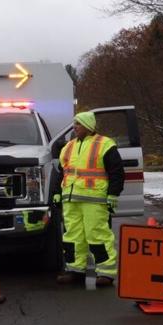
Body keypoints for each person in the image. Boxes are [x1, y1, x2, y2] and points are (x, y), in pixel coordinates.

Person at [53, 111, 124, 286]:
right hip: (71, 200)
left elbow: (117, 172)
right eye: (75, 124)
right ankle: (75, 270)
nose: (75, 127)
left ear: (88, 125)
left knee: (97, 235)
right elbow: (62, 172)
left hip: (95, 200)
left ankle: (106, 273)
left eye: (78, 124)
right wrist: (56, 192)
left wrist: (113, 194)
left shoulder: (105, 144)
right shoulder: (68, 146)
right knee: (72, 236)